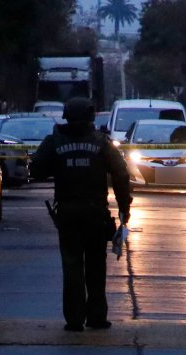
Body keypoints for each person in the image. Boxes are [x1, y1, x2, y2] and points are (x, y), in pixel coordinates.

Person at [30, 96, 132, 332]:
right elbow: (121, 175)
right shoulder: (102, 143)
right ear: (90, 117)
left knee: (72, 264)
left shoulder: (54, 141)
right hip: (96, 213)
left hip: (68, 213)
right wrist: (124, 207)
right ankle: (96, 316)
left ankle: (74, 319)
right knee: (96, 264)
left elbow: (36, 170)